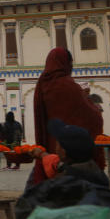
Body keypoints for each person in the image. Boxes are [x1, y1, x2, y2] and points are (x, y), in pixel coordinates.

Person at [32, 47, 104, 185]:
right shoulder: (68, 85)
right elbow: (91, 116)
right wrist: (89, 102)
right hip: (71, 150)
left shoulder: (43, 83)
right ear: (66, 63)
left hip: (51, 143)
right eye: (71, 63)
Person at [31, 119, 109, 187]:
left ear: (64, 152)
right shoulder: (97, 172)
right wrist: (42, 154)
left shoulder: (62, 183)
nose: (56, 148)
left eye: (57, 144)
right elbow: (58, 163)